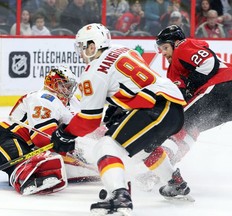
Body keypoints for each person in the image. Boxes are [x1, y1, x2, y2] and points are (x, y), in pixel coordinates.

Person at [50, 23, 191, 215]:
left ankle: (120, 196)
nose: (81, 52)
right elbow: (133, 83)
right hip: (173, 110)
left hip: (155, 108)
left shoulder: (94, 71)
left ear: (93, 46)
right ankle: (175, 183)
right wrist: (118, 107)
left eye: (83, 46)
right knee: (142, 148)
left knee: (106, 146)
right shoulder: (124, 50)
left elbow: (89, 120)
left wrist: (65, 134)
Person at [0, 66, 98, 195]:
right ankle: (23, 177)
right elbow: (42, 138)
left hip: (33, 147)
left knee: (72, 166)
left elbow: (86, 126)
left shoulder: (73, 101)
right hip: (7, 138)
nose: (68, 90)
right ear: (52, 83)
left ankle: (39, 172)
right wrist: (71, 145)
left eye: (69, 86)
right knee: (23, 163)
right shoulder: (42, 99)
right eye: (64, 85)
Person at [155, 24, 232, 167]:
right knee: (193, 127)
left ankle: (161, 164)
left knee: (180, 122)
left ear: (175, 42)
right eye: (160, 50)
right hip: (225, 101)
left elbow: (209, 62)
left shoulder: (182, 47)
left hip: (223, 86)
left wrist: (190, 83)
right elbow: (182, 97)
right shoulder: (173, 71)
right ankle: (168, 164)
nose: (163, 53)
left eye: (165, 48)